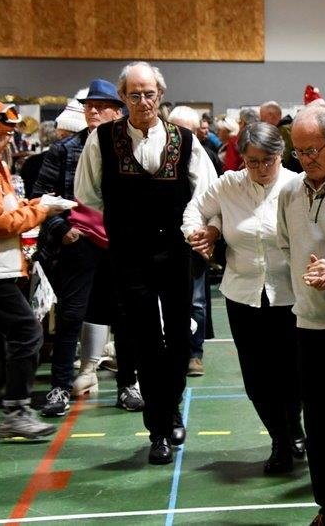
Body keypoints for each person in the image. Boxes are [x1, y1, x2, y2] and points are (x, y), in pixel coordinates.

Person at [74, 61, 218, 465]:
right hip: (129, 254)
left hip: (175, 252)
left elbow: (205, 193)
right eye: (134, 94)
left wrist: (193, 230)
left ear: (161, 94)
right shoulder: (102, 139)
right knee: (145, 340)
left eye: (149, 93)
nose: (143, 101)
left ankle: (171, 408)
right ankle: (158, 429)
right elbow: (87, 194)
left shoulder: (184, 140)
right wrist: (121, 224)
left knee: (179, 337)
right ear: (123, 97)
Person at [183, 121, 304, 474]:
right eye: (252, 162)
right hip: (242, 296)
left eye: (268, 160)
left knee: (292, 374)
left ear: (281, 155)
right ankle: (280, 439)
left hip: (291, 295)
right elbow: (194, 209)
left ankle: (293, 426)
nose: (261, 169)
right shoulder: (228, 185)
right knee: (256, 377)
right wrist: (199, 233)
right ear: (243, 159)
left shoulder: (297, 185)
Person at [33, 78, 144, 417]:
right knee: (71, 317)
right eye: (89, 106)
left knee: (126, 317)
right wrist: (62, 229)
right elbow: (40, 197)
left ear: (117, 112)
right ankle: (59, 388)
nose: (93, 111)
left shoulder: (134, 147)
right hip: (79, 243)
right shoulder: (64, 150)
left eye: (102, 106)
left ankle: (128, 385)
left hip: (122, 245)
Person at [275, 105, 325, 526]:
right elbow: (287, 246)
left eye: (313, 150)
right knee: (319, 427)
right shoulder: (289, 192)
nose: (306, 159)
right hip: (309, 325)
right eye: (299, 152)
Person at [0, 97, 72, 439]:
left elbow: (10, 207)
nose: (10, 140)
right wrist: (43, 211)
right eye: (6, 134)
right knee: (28, 332)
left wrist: (38, 203)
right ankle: (17, 411)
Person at [169, 105, 215, 378]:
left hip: (195, 240)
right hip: (164, 240)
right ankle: (173, 351)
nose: (181, 135)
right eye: (176, 129)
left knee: (196, 300)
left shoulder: (206, 158)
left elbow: (214, 200)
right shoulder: (160, 156)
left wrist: (209, 234)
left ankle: (195, 354)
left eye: (187, 130)